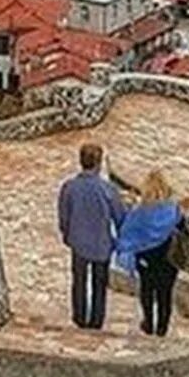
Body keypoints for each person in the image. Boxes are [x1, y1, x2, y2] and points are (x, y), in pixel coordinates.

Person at [57, 141, 125, 330]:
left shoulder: (69, 187)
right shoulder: (108, 189)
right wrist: (121, 240)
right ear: (99, 163)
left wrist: (66, 234)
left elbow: (63, 215)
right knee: (99, 283)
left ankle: (79, 318)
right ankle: (96, 321)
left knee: (78, 280)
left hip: (78, 241)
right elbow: (119, 216)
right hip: (101, 243)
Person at [114, 170, 184, 336]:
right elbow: (183, 230)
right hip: (168, 261)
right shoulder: (174, 210)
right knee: (165, 296)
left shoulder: (141, 213)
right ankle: (162, 329)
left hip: (146, 260)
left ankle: (148, 323)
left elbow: (128, 233)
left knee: (147, 291)